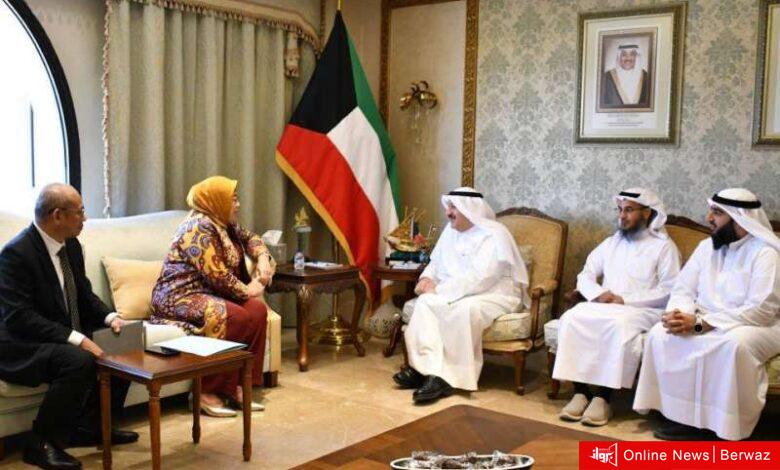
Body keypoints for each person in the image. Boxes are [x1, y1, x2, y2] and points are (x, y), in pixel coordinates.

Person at [0, 183, 138, 470]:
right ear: (58, 216)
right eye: (80, 212)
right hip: (22, 343)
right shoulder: (16, 254)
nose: (85, 218)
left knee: (123, 343)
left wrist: (111, 318)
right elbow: (18, 317)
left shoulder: (71, 245)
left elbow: (84, 294)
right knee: (79, 359)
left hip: (57, 333)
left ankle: (91, 427)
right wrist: (76, 338)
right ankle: (40, 444)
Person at [633, 188, 780, 441]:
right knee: (661, 334)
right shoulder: (706, 247)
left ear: (740, 218)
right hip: (703, 319)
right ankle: (680, 417)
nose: (709, 218)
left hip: (758, 326)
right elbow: (683, 289)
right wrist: (680, 316)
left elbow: (762, 310)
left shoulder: (766, 253)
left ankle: (723, 425)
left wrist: (702, 324)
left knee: (732, 345)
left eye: (717, 213)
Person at [552, 188, 681, 426]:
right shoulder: (611, 243)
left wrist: (625, 300)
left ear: (647, 213)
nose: (622, 216)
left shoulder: (664, 247)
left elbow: (670, 289)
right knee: (572, 317)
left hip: (642, 310)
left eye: (629, 210)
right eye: (620, 210)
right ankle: (580, 392)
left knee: (618, 325)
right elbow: (585, 275)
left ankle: (603, 398)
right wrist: (599, 294)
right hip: (605, 305)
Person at [151, 176, 274, 417]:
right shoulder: (197, 228)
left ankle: (239, 386)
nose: (238, 205)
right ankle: (205, 392)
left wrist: (262, 258)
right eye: (233, 200)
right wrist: (250, 289)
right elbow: (218, 276)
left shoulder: (223, 222)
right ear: (216, 201)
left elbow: (251, 238)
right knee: (234, 316)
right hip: (179, 296)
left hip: (210, 292)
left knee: (257, 311)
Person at [393, 187, 529, 403]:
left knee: (463, 309)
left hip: (494, 294)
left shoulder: (494, 234)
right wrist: (426, 279)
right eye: (448, 207)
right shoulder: (450, 232)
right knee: (425, 302)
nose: (448, 212)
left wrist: (439, 290)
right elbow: (435, 263)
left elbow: (482, 277)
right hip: (456, 291)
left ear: (470, 209)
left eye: (454, 207)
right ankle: (422, 369)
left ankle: (447, 378)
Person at [600, 43, 651, 108]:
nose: (628, 58)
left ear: (636, 57)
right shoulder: (607, 77)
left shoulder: (646, 77)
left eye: (632, 54)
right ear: (619, 57)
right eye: (624, 54)